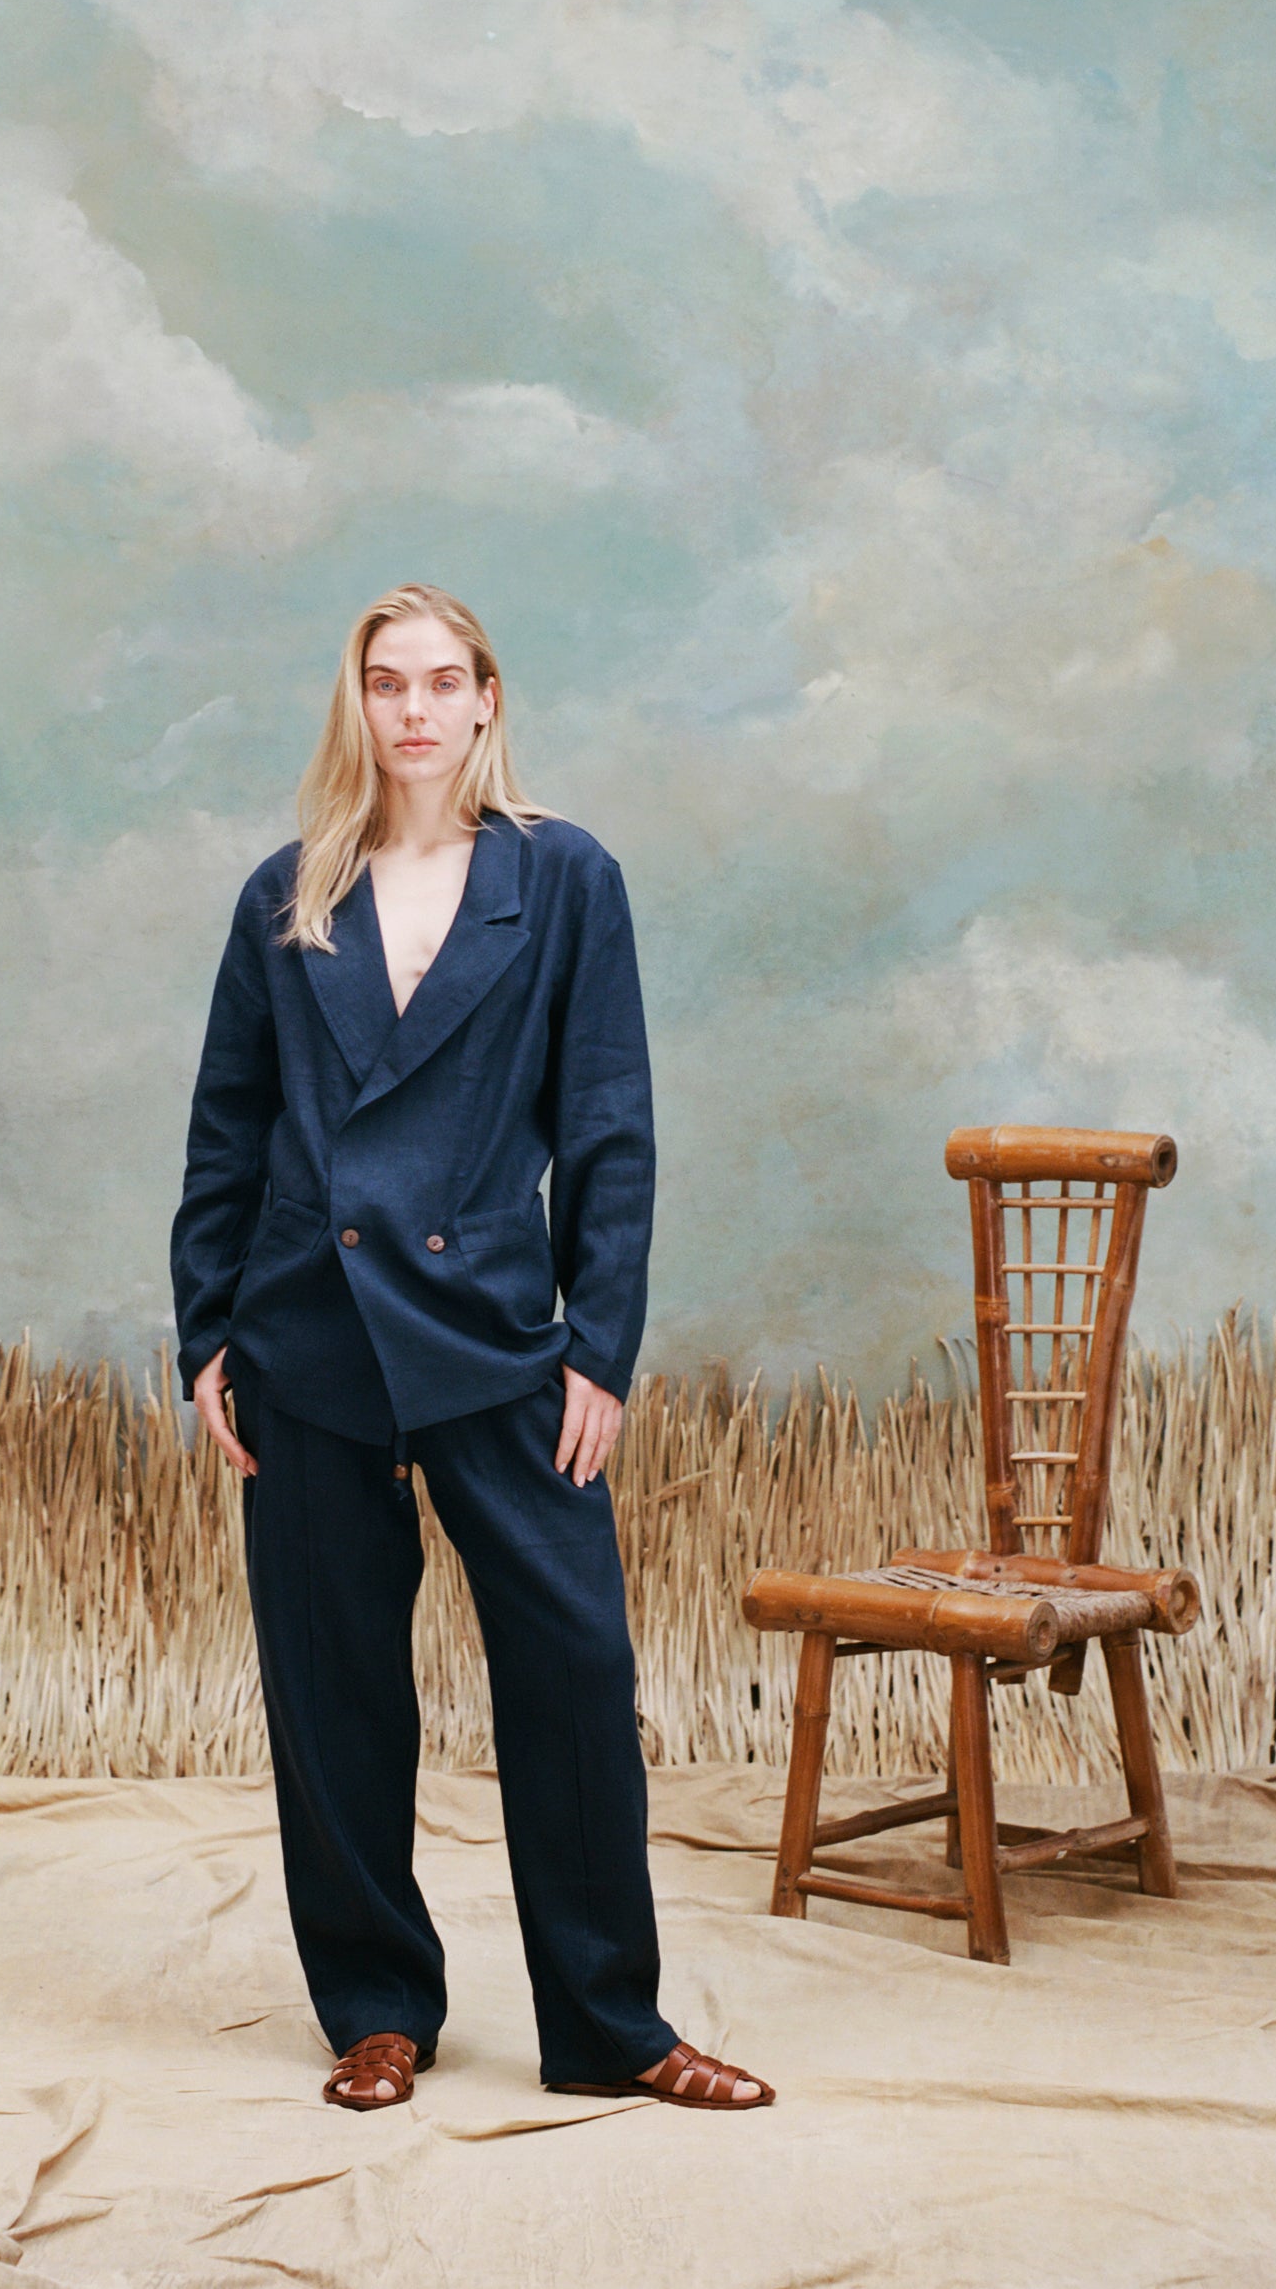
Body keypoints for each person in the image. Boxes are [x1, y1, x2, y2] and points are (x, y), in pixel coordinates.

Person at [170, 582, 772, 2115]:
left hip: (497, 1331)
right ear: (357, 702)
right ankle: (377, 2009)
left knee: (573, 1671)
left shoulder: (563, 878)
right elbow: (229, 1126)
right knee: (333, 1689)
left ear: (489, 698)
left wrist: (601, 1346)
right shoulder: (287, 895)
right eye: (389, 683)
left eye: (445, 681)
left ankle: (613, 2025)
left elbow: (612, 1127)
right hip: (306, 1334)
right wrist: (207, 1335)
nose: (417, 709)